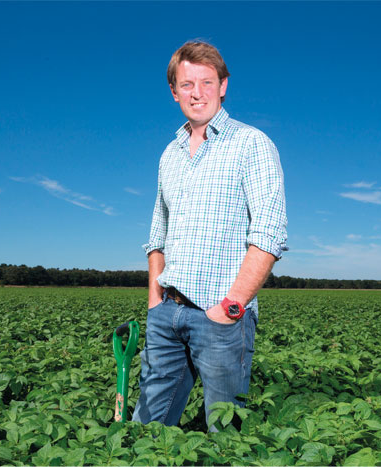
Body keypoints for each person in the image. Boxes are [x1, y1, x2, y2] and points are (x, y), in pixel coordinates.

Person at [132, 40, 288, 430]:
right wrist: (155, 301)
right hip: (167, 313)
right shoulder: (170, 153)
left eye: (206, 82)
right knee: (146, 431)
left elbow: (270, 232)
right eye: (187, 84)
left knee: (225, 436)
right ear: (174, 92)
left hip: (221, 317)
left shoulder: (251, 143)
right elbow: (158, 233)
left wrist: (230, 308)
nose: (196, 92)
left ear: (223, 85)